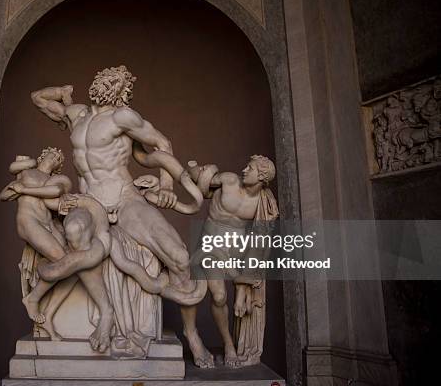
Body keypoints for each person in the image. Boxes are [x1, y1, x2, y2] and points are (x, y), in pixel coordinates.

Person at [31, 66, 210, 367]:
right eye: (104, 77)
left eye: (115, 81)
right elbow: (37, 98)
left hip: (125, 199)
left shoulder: (123, 117)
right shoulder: (76, 115)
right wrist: (61, 91)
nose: (106, 83)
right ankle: (105, 313)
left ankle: (192, 334)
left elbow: (162, 144)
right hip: (90, 202)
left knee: (178, 256)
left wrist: (166, 185)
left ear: (122, 91)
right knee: (75, 231)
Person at [188, 155, 279, 367]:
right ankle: (228, 343)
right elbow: (200, 180)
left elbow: (259, 242)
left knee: (243, 295)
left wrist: (243, 285)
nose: (245, 169)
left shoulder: (263, 202)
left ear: (262, 177)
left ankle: (240, 296)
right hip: (211, 246)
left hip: (238, 253)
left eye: (251, 168)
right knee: (219, 297)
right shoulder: (229, 180)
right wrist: (196, 168)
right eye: (246, 165)